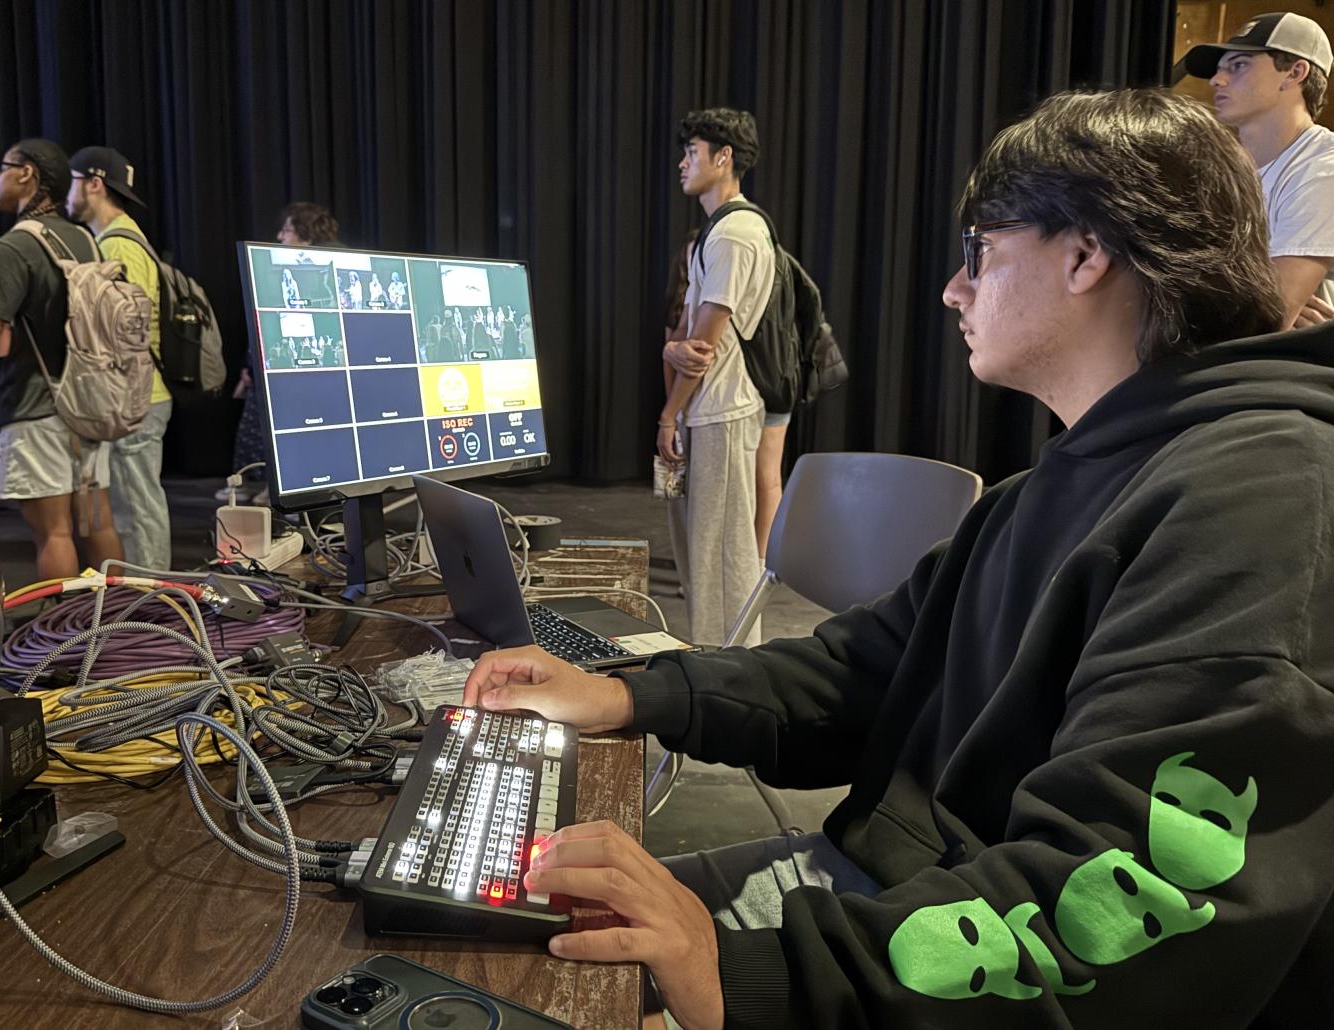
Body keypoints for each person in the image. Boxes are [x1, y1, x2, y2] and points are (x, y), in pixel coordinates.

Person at [465, 88, 1334, 1028]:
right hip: (906, 905)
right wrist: (632, 695)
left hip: (961, 965)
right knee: (491, 935)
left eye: (981, 251)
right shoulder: (1063, 482)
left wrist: (742, 974)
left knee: (504, 983)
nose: (956, 289)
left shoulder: (1260, 500)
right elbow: (864, 669)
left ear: (1086, 255)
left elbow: (1128, 907)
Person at [0, 138, 123, 581]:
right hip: (89, 402)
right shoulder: (85, 240)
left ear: (26, 173)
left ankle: (63, 624)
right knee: (99, 524)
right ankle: (118, 617)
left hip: (35, 407)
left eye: (2, 168)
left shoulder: (14, 246)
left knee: (54, 534)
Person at [660, 108, 772, 646]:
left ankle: (731, 667)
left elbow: (701, 347)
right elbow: (685, 335)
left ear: (723, 157)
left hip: (724, 409)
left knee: (724, 553)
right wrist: (675, 354)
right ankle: (715, 661)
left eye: (693, 153)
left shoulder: (736, 233)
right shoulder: (717, 231)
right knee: (706, 552)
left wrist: (668, 414)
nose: (683, 164)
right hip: (708, 408)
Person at [1184, 11, 1334, 328]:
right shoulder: (1214, 169)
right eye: (1219, 69)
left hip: (1284, 358)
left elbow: (1266, 319)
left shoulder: (1324, 168)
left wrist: (1258, 298)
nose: (1216, 80)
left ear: (1294, 73)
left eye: (1238, 65)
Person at [66, 146, 172, 571]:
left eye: (73, 182)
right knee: (136, 505)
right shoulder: (127, 238)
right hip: (141, 395)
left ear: (94, 184)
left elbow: (122, 332)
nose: (67, 193)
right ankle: (154, 594)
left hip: (133, 399)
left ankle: (156, 599)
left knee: (138, 508)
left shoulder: (117, 246)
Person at [219, 202, 340, 503]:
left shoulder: (316, 266)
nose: (280, 236)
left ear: (306, 232)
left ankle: (281, 490)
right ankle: (268, 486)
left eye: (287, 230)